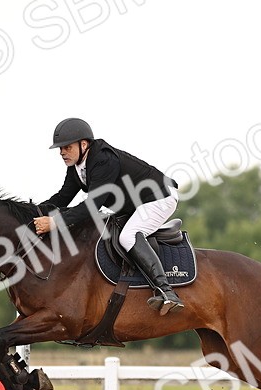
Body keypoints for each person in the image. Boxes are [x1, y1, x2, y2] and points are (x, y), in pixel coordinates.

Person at [32, 118, 184, 315]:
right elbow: (63, 197)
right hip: (135, 204)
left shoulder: (104, 160)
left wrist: (54, 222)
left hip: (159, 198)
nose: (62, 152)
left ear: (83, 144)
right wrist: (33, 212)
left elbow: (92, 205)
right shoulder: (77, 167)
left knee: (128, 236)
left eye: (67, 147)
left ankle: (166, 291)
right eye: (60, 148)